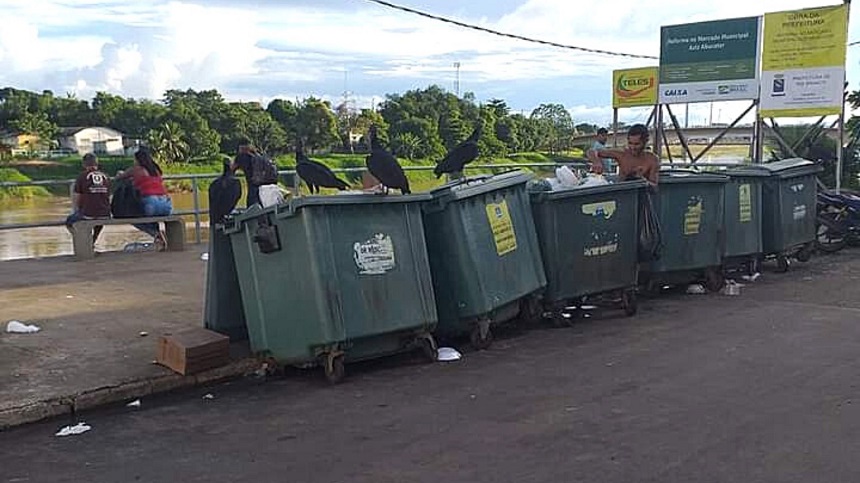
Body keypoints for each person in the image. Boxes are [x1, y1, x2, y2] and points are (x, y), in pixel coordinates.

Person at [117, 148, 172, 250]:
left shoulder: (136, 169)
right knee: (150, 216)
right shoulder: (156, 169)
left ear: (138, 160)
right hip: (166, 204)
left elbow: (120, 177)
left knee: (133, 217)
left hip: (151, 203)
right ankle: (160, 237)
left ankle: (156, 234)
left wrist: (121, 173)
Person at [587, 124, 660, 186]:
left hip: (643, 197)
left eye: (637, 144)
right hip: (623, 195)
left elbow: (654, 188)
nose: (633, 147)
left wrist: (642, 181)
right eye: (630, 143)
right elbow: (591, 151)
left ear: (645, 142)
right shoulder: (621, 154)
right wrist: (596, 161)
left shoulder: (653, 159)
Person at [65, 153, 111, 247]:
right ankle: (92, 240)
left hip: (88, 213)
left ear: (84, 164)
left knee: (69, 221)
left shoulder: (82, 177)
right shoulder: (106, 177)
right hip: (105, 213)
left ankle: (83, 240)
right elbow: (108, 195)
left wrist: (77, 210)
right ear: (97, 163)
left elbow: (77, 197)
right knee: (99, 219)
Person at [230, 140, 277, 207]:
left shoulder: (241, 157)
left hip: (254, 187)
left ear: (240, 148)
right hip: (268, 187)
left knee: (252, 209)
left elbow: (231, 169)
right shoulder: (259, 154)